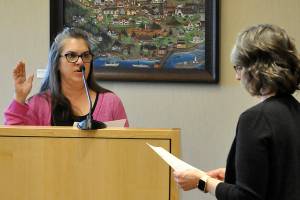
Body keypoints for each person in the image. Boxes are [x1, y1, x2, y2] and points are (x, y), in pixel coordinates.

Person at [173, 24, 300, 199]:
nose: (237, 76)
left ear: (256, 70)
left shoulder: (256, 119)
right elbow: (286, 176)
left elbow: (245, 197)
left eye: (239, 67)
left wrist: (201, 181)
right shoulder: (294, 111)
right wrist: (235, 175)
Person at [4, 27, 129, 127]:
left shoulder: (111, 102)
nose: (80, 62)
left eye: (85, 55)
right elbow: (13, 145)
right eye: (72, 55)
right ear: (57, 63)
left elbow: (125, 150)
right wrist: (19, 98)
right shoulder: (39, 104)